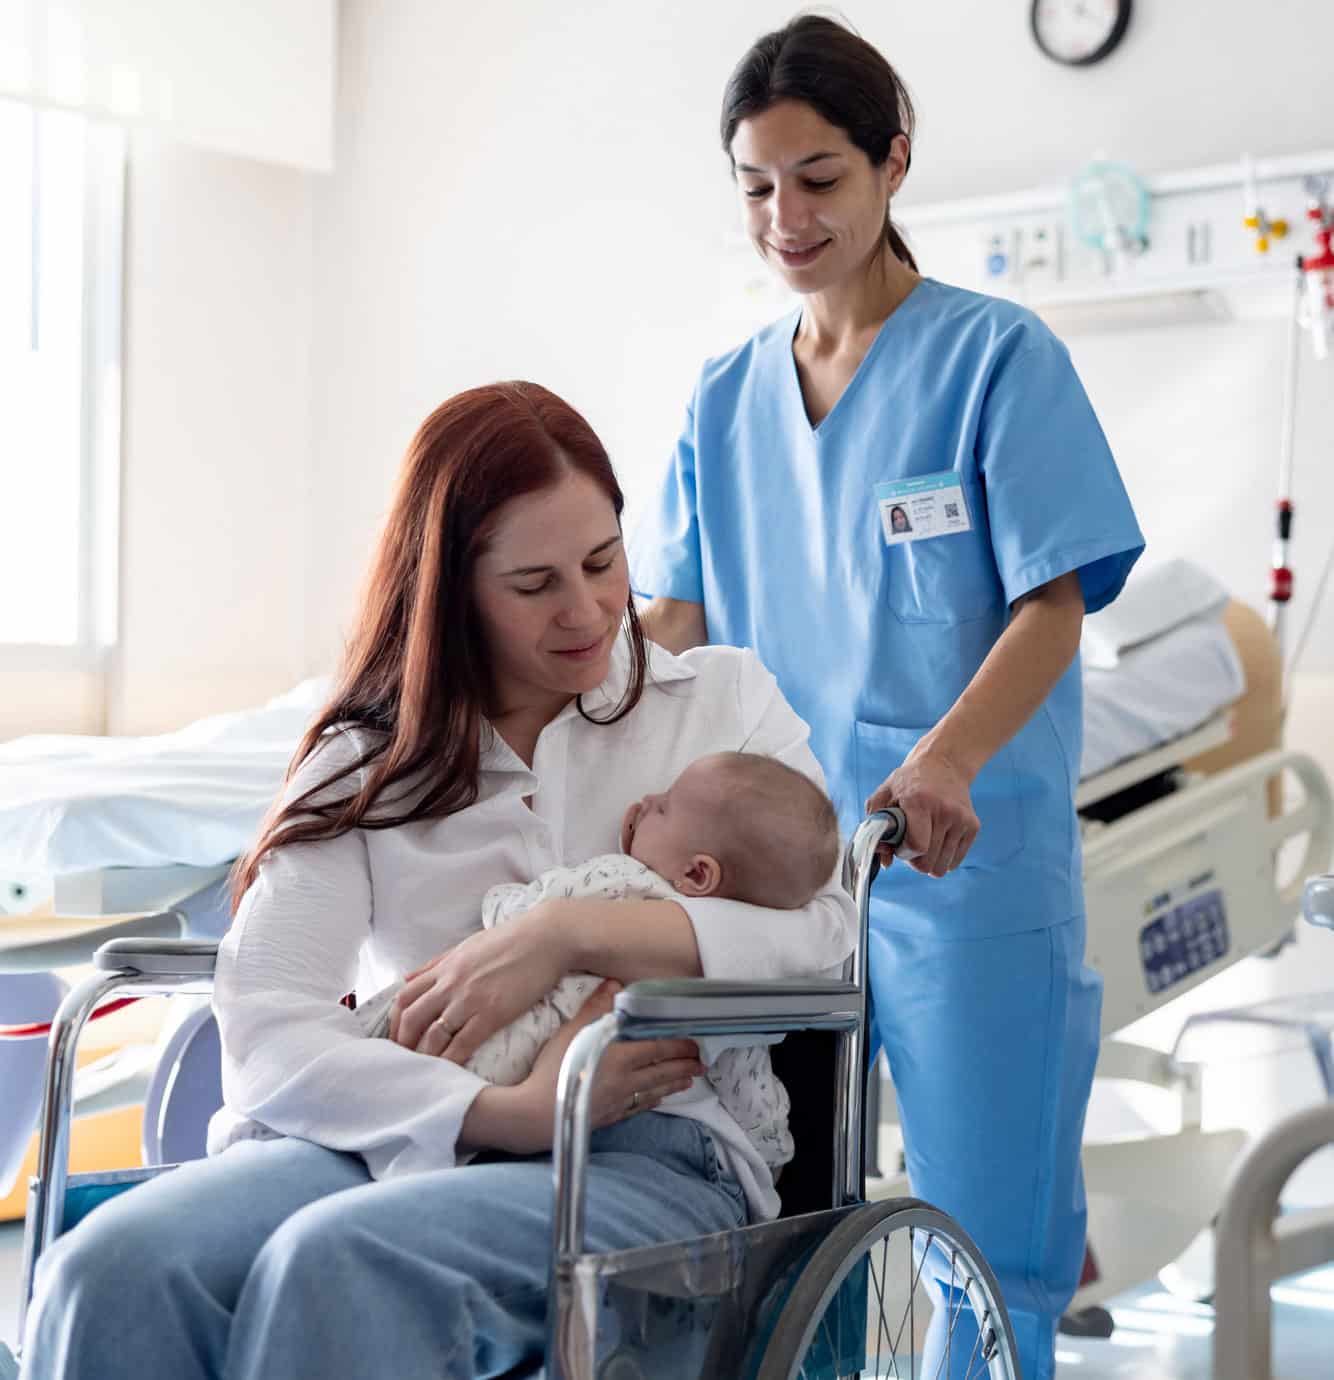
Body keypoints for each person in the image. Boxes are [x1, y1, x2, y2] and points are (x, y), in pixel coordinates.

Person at [20, 382, 856, 1380]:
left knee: (340, 1261)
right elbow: (271, 1021)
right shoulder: (368, 759)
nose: (586, 609)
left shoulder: (719, 704)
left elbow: (825, 932)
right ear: (451, 591)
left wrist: (564, 936)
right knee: (108, 1267)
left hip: (652, 1151)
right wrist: (501, 1114)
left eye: (602, 563)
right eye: (533, 583)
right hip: (401, 1128)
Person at [630, 17, 1144, 1380]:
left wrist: (946, 762)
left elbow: (1053, 599)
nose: (784, 216)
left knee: (986, 1242)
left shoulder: (994, 360)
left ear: (890, 165)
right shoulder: (722, 400)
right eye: (755, 185)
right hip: (766, 874)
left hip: (955, 865)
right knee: (775, 1224)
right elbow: (671, 620)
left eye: (817, 177)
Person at [337, 750, 840, 1169]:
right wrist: (772, 1150)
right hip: (552, 1091)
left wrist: (504, 909)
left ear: (697, 873)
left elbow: (512, 913)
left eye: (663, 808)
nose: (645, 802)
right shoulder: (718, 988)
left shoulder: (616, 880)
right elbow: (749, 1089)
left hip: (495, 1055)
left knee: (389, 1032)